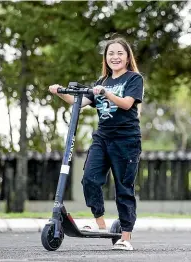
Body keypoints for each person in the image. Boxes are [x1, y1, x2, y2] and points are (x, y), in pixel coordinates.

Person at [48, 37, 144, 251]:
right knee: (89, 179)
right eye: (111, 53)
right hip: (102, 138)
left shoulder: (134, 79)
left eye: (120, 53)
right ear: (106, 58)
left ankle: (125, 237)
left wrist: (107, 94)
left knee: (123, 188)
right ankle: (101, 225)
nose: (115, 57)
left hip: (126, 140)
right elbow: (78, 103)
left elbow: (128, 104)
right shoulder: (101, 82)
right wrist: (61, 92)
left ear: (127, 57)